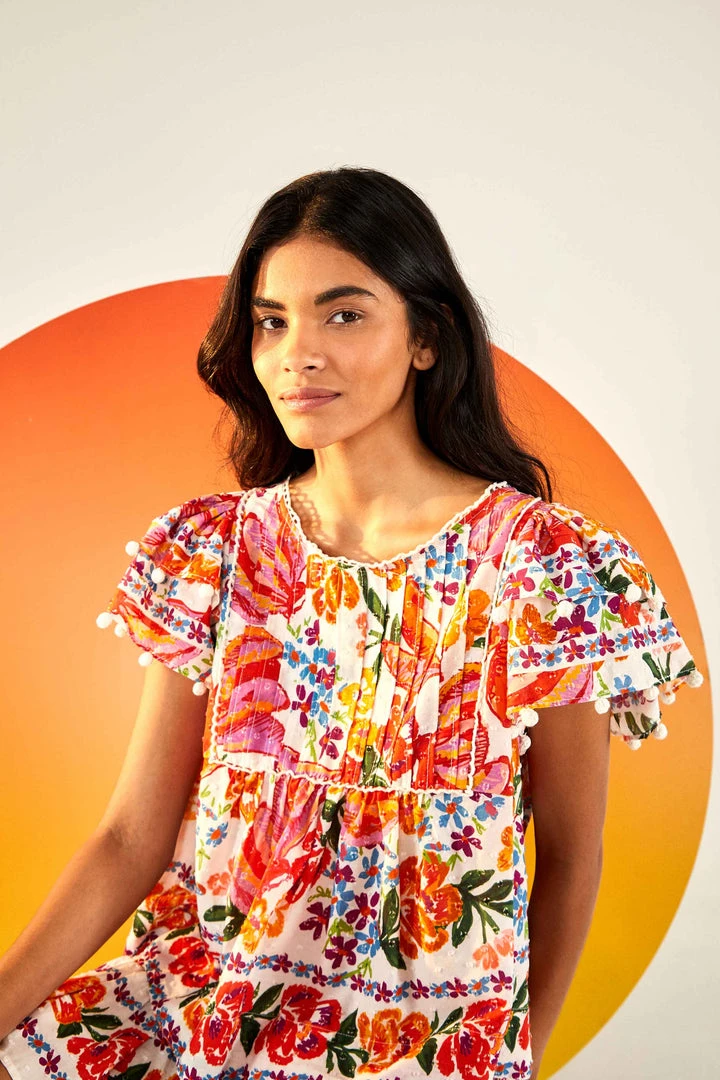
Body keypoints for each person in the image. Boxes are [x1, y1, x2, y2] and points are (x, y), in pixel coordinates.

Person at [0, 166, 703, 1080]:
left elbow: (569, 855)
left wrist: (520, 1057)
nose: (298, 355)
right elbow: (131, 839)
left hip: (422, 1048)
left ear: (426, 338)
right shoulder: (217, 552)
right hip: (197, 1020)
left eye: (343, 315)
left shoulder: (546, 568)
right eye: (272, 321)